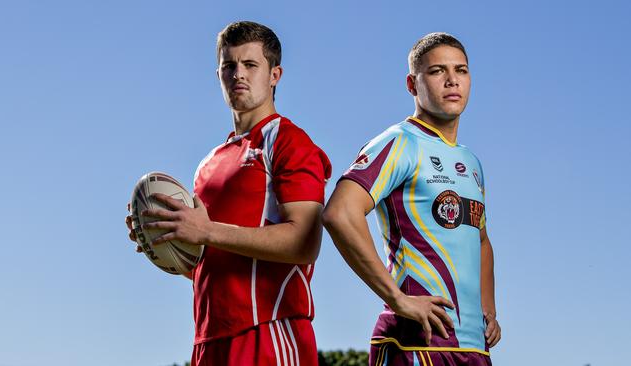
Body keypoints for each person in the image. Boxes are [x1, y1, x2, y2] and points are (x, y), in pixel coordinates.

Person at [126, 21, 331, 366]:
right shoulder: (208, 164)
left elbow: (305, 244)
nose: (239, 74)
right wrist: (170, 242)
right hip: (208, 338)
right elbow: (216, 259)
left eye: (251, 65)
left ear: (274, 75)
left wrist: (205, 230)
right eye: (229, 66)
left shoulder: (289, 142)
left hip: (268, 333)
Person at [322, 32, 501, 365]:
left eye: (461, 70)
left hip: (473, 347)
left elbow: (481, 239)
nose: (452, 80)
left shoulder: (471, 162)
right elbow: (340, 214)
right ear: (412, 84)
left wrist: (487, 307)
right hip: (419, 342)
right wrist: (397, 298)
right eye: (437, 71)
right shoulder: (400, 142)